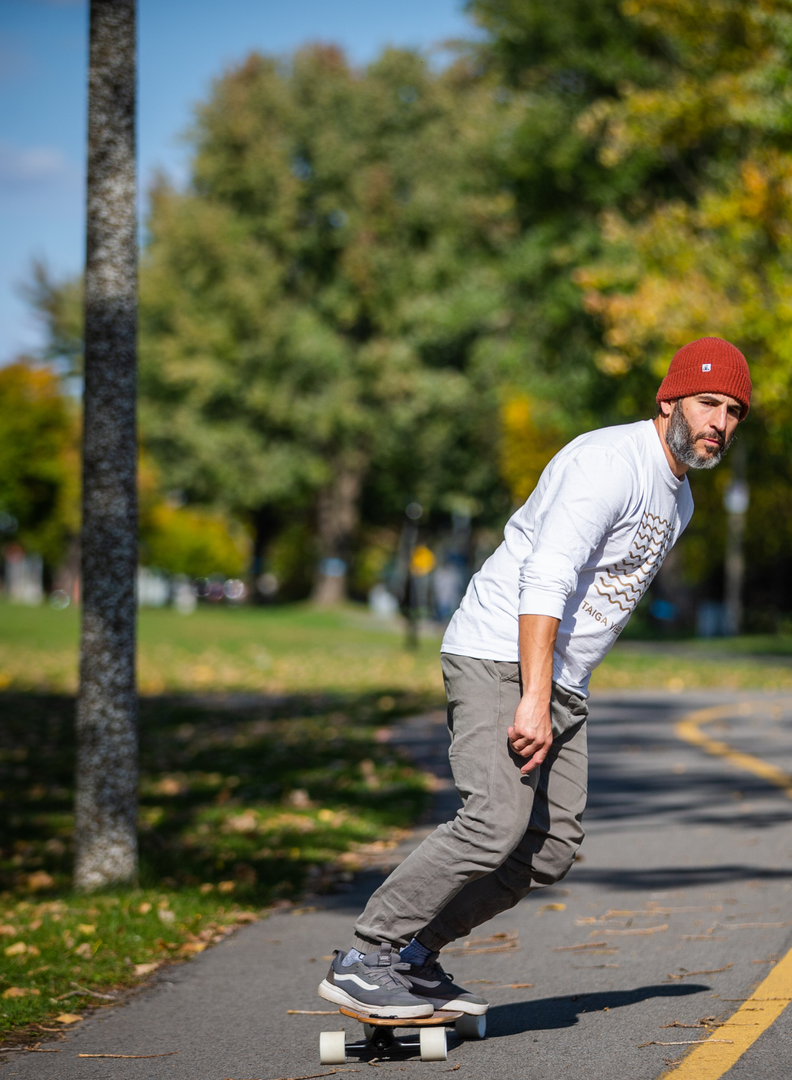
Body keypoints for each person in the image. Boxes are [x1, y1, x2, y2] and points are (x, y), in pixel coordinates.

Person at [317, 337, 751, 1018]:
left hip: (559, 677)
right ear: (668, 400)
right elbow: (545, 576)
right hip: (501, 654)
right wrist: (535, 697)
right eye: (707, 403)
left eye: (732, 411)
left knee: (550, 849)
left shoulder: (680, 501)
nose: (719, 422)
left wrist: (561, 691)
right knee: (493, 821)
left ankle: (412, 959)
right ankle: (366, 956)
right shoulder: (608, 464)